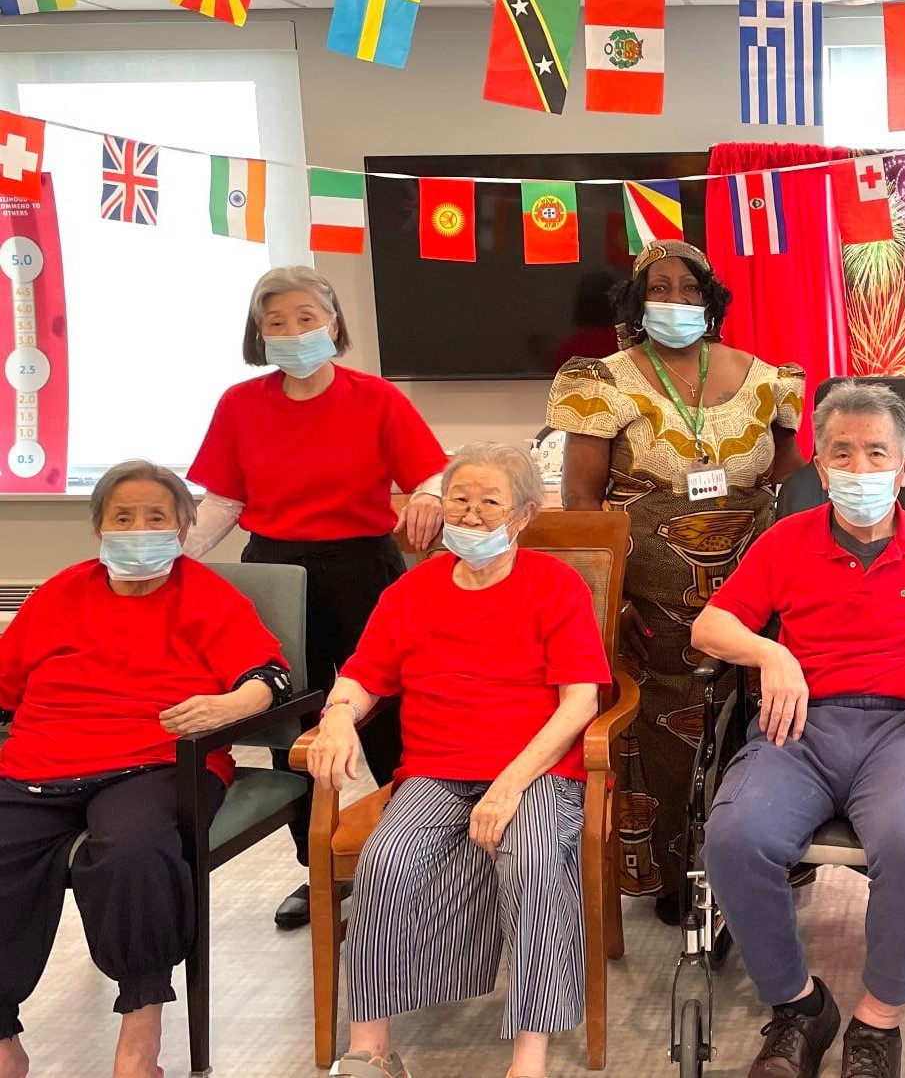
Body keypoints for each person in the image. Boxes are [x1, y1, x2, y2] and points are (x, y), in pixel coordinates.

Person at [692, 382, 905, 1078]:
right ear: (820, 468)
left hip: (903, 729)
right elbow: (711, 624)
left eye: (876, 452)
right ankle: (799, 1006)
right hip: (799, 727)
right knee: (733, 837)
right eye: (841, 453)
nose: (859, 468)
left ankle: (877, 1021)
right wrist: (771, 651)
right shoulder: (785, 540)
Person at [305, 443, 612, 1078]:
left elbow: (579, 702)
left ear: (524, 515)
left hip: (536, 772)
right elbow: (364, 674)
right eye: (459, 500)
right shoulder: (411, 590)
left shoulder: (557, 587)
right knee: (387, 864)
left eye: (489, 503)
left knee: (531, 861)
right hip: (435, 770)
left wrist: (508, 784)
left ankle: (531, 1053)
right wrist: (337, 716)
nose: (470, 516)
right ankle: (371, 1051)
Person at [0, 462, 289, 1078]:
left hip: (153, 760)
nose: (137, 530)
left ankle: (141, 1028)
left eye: (155, 518)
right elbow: (5, 686)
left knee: (132, 852)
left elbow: (269, 677)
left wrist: (230, 705)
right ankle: (2, 1034)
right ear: (98, 529)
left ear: (184, 529)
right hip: (41, 760)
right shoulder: (60, 593)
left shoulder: (207, 596)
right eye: (121, 518)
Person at [547, 238, 805, 920]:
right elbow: (580, 504)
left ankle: (757, 865)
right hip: (650, 601)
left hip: (758, 593)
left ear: (712, 299)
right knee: (668, 735)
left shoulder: (763, 377)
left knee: (757, 721)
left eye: (691, 290)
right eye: (660, 288)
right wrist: (609, 598)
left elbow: (791, 474)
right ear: (637, 301)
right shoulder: (602, 380)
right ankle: (677, 877)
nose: (677, 302)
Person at [185, 265, 447, 929]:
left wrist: (429, 496)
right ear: (258, 333)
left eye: (307, 317)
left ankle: (406, 861)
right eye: (276, 322)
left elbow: (431, 474)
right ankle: (319, 871)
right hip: (276, 566)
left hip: (363, 564)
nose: (294, 331)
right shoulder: (240, 404)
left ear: (333, 323)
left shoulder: (376, 398)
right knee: (293, 726)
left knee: (386, 712)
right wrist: (171, 556)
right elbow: (223, 502)